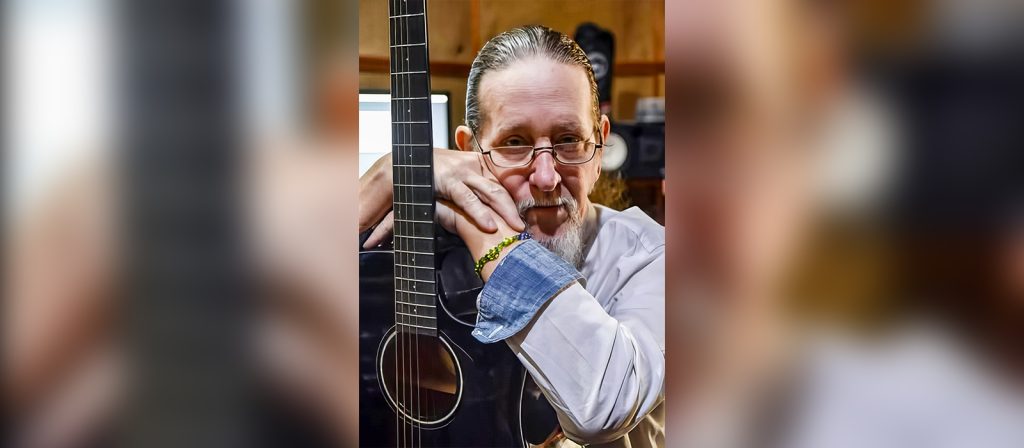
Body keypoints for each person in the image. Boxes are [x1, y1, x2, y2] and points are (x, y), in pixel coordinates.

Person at [359, 25, 665, 447]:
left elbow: (604, 406)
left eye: (569, 140)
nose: (546, 177)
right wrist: (382, 177)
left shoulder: (653, 258)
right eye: (515, 143)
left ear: (599, 147)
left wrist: (488, 234)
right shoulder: (432, 243)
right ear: (469, 152)